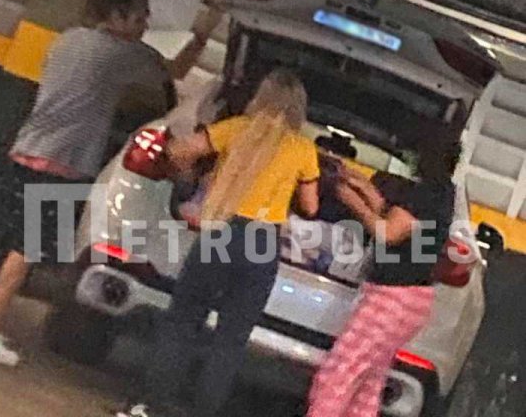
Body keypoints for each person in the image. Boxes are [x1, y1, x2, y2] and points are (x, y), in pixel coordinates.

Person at [0, 0, 184, 367]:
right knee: (25, 252)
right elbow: (174, 72)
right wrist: (205, 32)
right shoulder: (124, 54)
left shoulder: (67, 39)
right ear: (117, 15)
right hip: (64, 164)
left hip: (26, 148)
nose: (145, 25)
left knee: (4, 244)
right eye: (140, 17)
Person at [118, 69, 321, 417]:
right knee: (232, 337)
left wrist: (192, 181)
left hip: (221, 231)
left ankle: (149, 406)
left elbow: (180, 151)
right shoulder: (303, 150)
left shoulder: (236, 129)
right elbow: (311, 206)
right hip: (262, 241)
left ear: (261, 98)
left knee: (183, 320)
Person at [308, 134, 461, 417]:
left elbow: (388, 232)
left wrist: (350, 199)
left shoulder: (424, 193)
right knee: (368, 383)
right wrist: (358, 183)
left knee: (338, 373)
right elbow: (393, 215)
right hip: (413, 300)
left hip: (392, 298)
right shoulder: (443, 194)